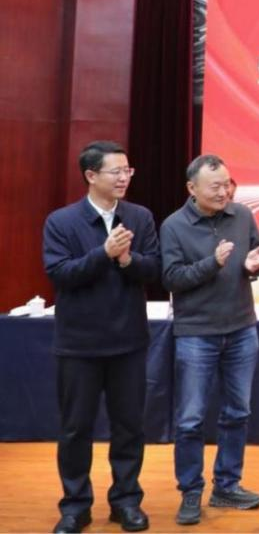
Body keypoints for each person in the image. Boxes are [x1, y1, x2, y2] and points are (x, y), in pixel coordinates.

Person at [42, 141, 159, 533]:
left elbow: (154, 269)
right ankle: (75, 506)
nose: (124, 177)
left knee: (129, 427)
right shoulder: (62, 221)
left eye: (128, 170)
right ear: (91, 175)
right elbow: (59, 274)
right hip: (79, 345)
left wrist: (128, 260)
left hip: (129, 342)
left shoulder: (139, 217)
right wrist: (103, 254)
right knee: (76, 428)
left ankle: (126, 501)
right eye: (116, 171)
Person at [160, 154, 259, 526]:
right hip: (196, 334)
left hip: (242, 329)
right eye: (216, 186)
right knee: (191, 419)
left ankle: (227, 485)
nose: (224, 192)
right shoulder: (174, 226)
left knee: (238, 412)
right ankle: (191, 491)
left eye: (227, 184)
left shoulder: (242, 215)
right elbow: (171, 278)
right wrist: (213, 263)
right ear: (192, 188)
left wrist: (257, 264)